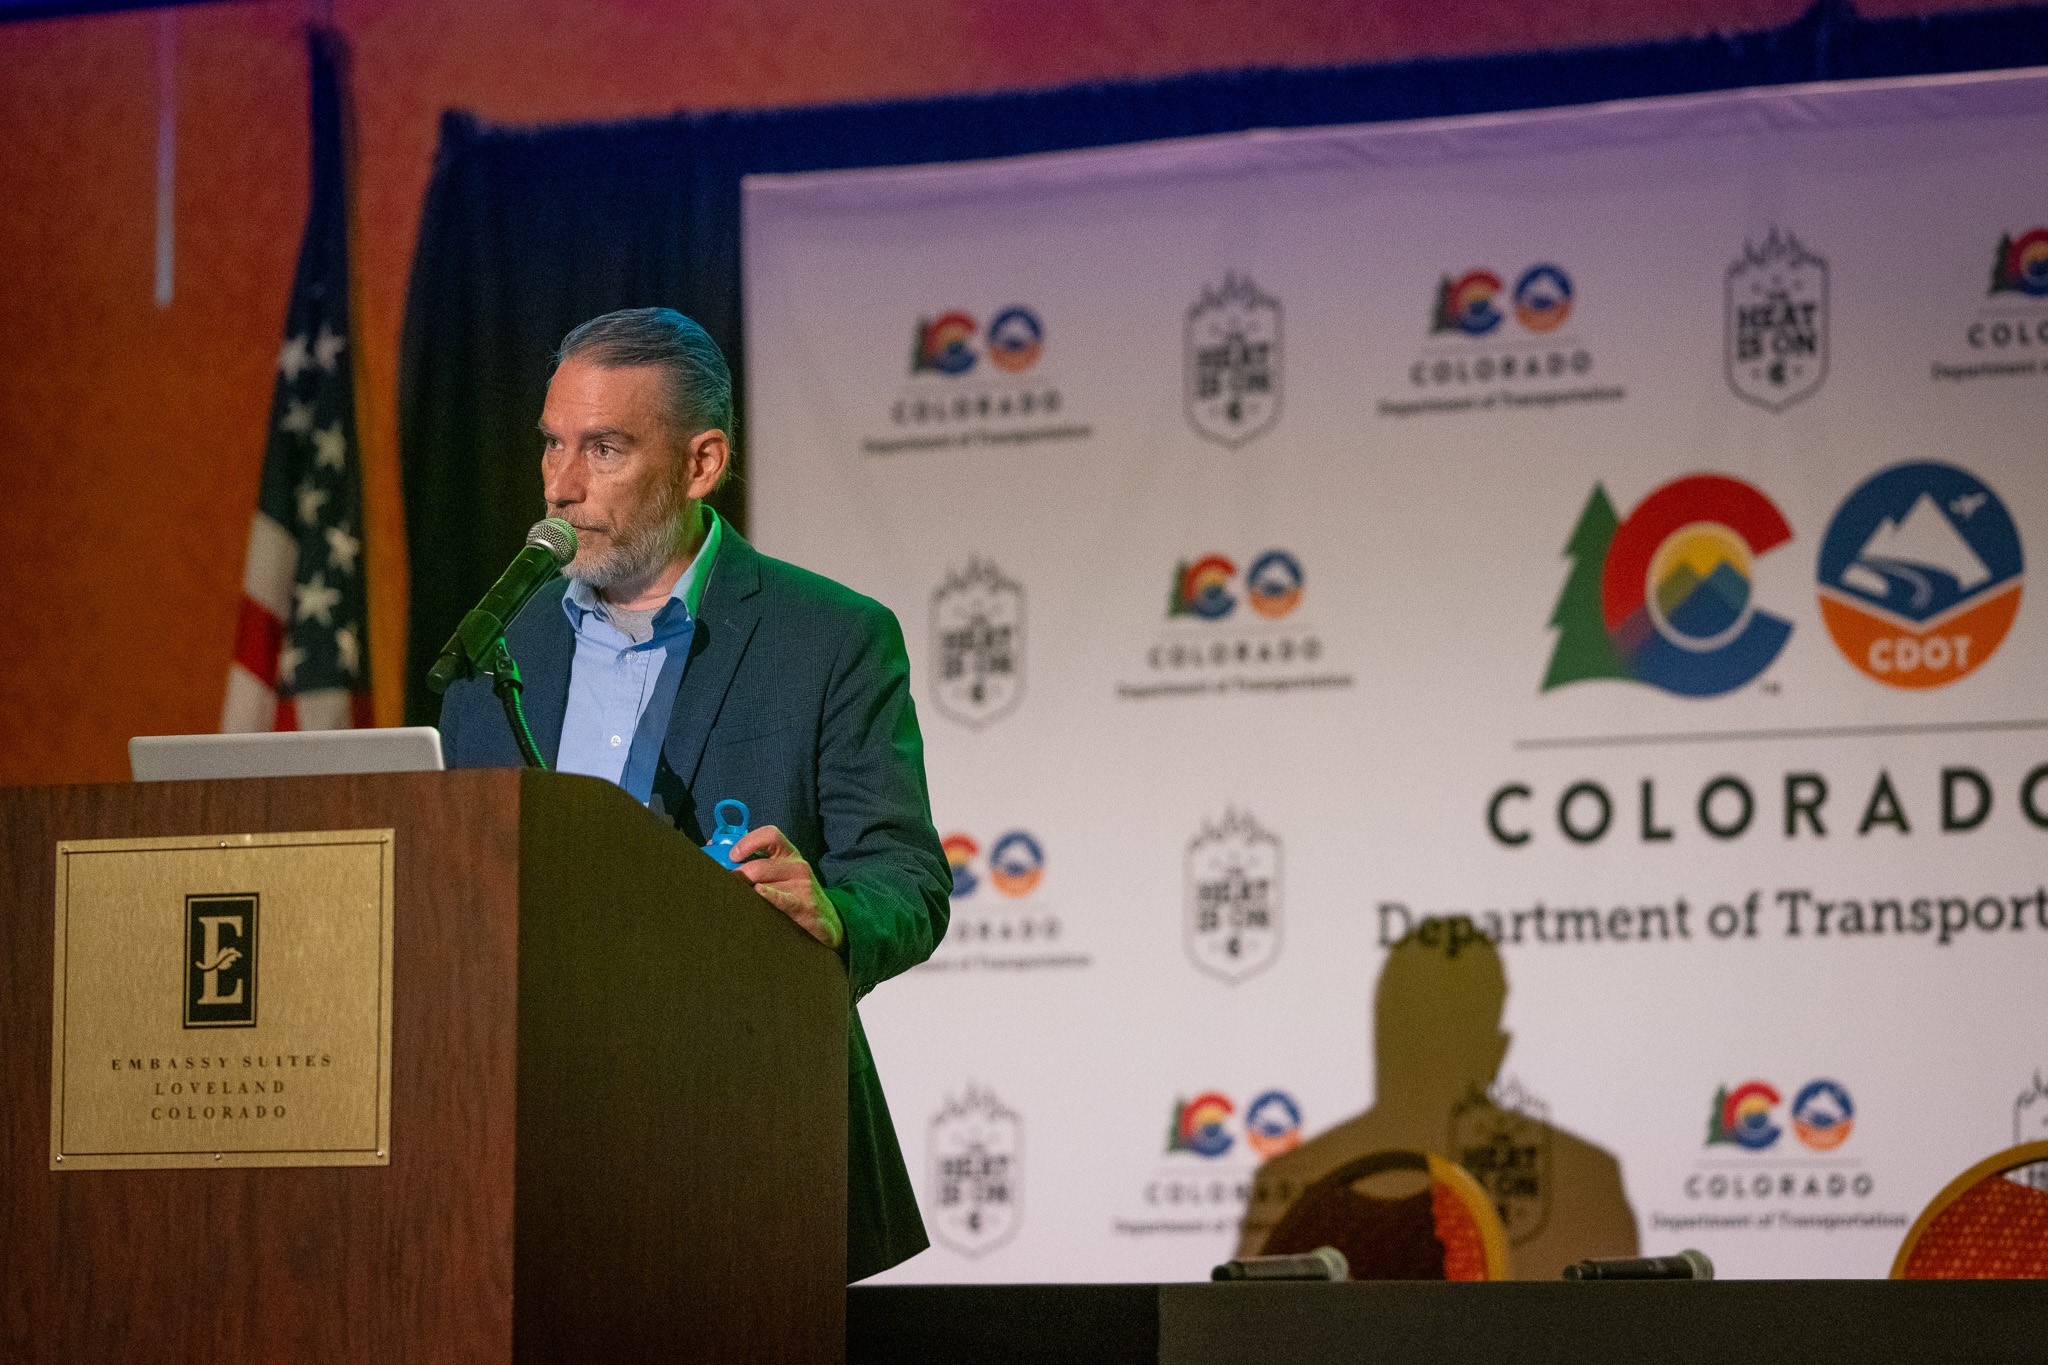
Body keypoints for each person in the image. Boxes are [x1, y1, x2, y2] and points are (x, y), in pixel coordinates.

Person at [437, 307, 950, 1282]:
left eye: (605, 449)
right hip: (522, 1154)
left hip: (747, 1145)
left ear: (700, 462)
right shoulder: (497, 646)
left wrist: (833, 913)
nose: (560, 485)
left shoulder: (828, 637)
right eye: (552, 444)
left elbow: (906, 877)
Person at [1236, 917, 1638, 1280]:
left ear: (1496, 1049)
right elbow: (1249, 1335)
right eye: (1409, 1018)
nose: (1422, 1046)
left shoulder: (1586, 1180)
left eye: (1445, 1023)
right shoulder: (1291, 1180)